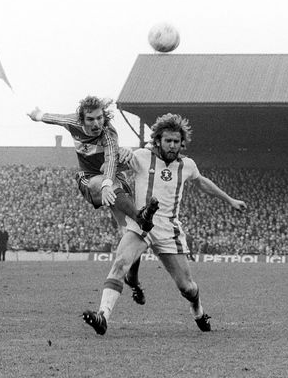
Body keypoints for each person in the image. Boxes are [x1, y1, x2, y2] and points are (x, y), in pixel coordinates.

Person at [82, 113, 247, 335]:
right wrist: (119, 156)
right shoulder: (141, 156)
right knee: (120, 263)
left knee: (187, 288)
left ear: (182, 143)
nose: (171, 145)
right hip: (141, 225)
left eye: (176, 141)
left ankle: (198, 312)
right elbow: (107, 167)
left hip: (169, 232)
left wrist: (230, 200)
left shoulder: (187, 165)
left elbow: (203, 183)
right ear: (158, 140)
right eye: (167, 140)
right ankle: (103, 316)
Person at [27, 96, 159, 304]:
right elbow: (54, 118)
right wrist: (38, 115)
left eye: (100, 118)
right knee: (108, 189)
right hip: (89, 178)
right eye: (91, 119)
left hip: (112, 177)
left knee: (129, 232)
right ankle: (141, 217)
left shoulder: (108, 133)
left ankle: (133, 278)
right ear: (82, 119)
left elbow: (111, 162)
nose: (96, 123)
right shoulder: (73, 123)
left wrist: (124, 158)